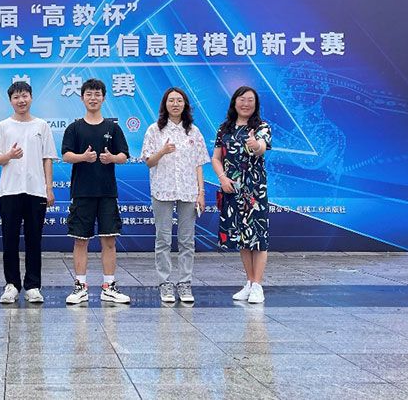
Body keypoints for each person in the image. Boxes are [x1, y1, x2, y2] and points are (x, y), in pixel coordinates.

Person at [61, 78, 131, 304]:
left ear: (103, 98)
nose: (93, 98)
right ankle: (80, 286)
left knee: (109, 239)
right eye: (89, 94)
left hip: (107, 192)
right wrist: (83, 157)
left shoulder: (113, 127)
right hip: (82, 192)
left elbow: (124, 156)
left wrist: (112, 158)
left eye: (97, 94)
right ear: (82, 98)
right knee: (80, 240)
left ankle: (109, 286)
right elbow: (66, 155)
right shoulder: (74, 128)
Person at [141, 87, 210, 304]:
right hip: (162, 189)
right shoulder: (154, 130)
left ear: (185, 105)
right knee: (163, 239)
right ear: (165, 104)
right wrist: (162, 151)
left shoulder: (193, 132)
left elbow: (199, 164)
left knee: (187, 240)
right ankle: (165, 283)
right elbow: (148, 162)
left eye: (179, 100)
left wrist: (201, 192)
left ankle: (185, 283)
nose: (175, 104)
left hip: (188, 191)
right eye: (171, 100)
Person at [0, 80, 57, 304]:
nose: (21, 100)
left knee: (34, 240)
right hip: (9, 191)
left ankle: (33, 286)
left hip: (36, 191)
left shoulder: (42, 125)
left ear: (31, 97)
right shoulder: (3, 126)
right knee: (9, 240)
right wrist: (9, 155)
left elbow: (48, 158)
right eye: (16, 97)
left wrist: (49, 188)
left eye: (24, 96)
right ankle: (11, 285)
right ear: (10, 101)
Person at [211, 86, 272, 304]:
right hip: (232, 190)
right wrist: (223, 178)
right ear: (234, 102)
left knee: (258, 237)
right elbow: (216, 158)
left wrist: (255, 145)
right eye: (242, 99)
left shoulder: (262, 127)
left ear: (256, 105)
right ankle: (249, 282)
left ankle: (258, 285)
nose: (245, 104)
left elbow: (261, 147)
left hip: (255, 191)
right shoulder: (224, 128)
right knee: (242, 238)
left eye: (250, 100)